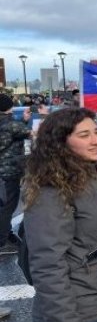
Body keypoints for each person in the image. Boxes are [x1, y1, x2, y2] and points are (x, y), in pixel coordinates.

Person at [22, 108, 97, 322]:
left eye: (96, 132)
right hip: (78, 306)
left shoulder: (91, 172)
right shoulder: (50, 190)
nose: (96, 141)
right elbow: (47, 263)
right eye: (84, 136)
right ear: (60, 143)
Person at [0, 94, 31, 255]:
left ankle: (6, 235)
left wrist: (23, 121)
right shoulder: (11, 124)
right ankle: (2, 242)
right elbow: (33, 134)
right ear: (9, 106)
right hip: (7, 172)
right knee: (7, 207)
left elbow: (12, 133)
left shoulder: (9, 124)